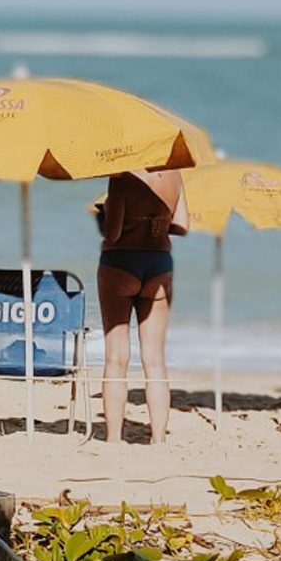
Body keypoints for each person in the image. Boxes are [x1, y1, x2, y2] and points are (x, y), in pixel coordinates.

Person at [96, 168, 188, 444]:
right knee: (155, 360)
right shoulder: (175, 175)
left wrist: (104, 214)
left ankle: (114, 439)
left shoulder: (122, 176)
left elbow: (113, 233)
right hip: (159, 264)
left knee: (116, 358)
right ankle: (158, 440)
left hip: (121, 263)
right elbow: (181, 225)